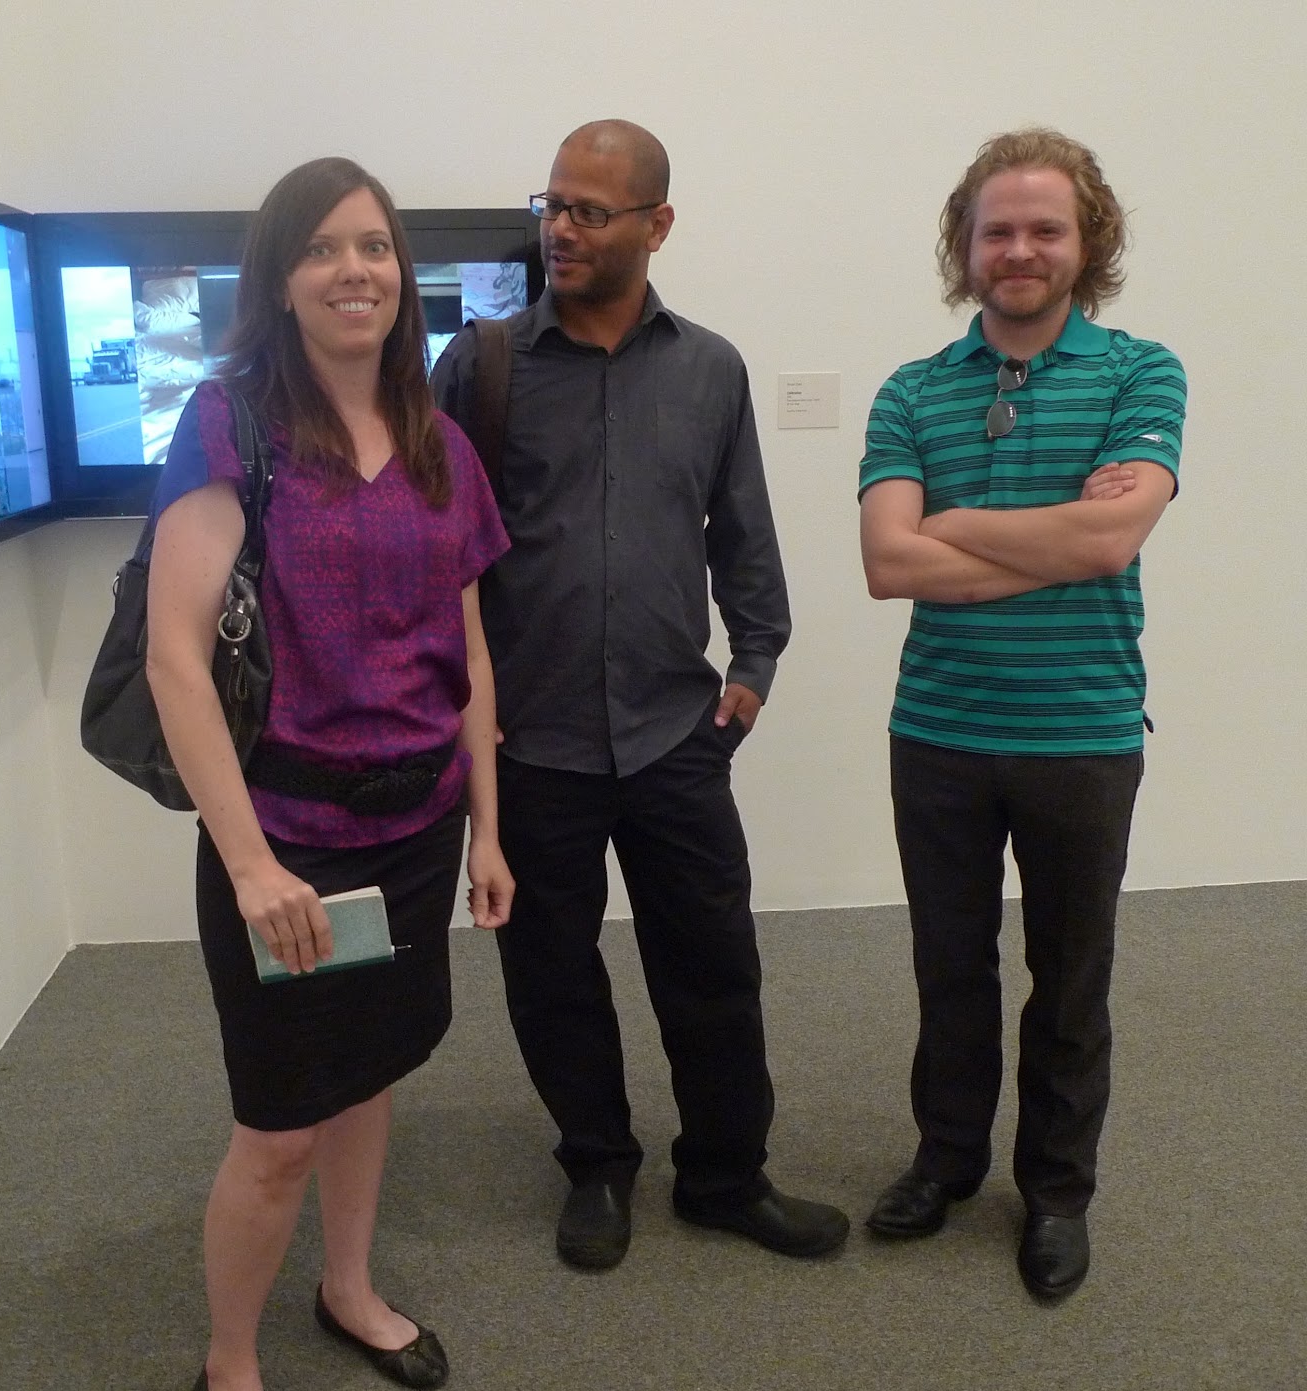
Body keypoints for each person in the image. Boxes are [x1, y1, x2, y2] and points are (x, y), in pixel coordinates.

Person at [432, 119, 848, 1271]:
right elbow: (432, 552)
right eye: (551, 204)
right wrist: (456, 707)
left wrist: (754, 665)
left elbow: (741, 528)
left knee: (713, 965)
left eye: (588, 210)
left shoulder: (709, 368)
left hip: (675, 731)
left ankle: (725, 1175)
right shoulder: (482, 366)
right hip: (532, 741)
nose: (559, 229)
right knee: (552, 973)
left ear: (656, 225)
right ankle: (597, 1163)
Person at [145, 157, 513, 1391]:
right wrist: (249, 864)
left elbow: (469, 653)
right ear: (278, 279)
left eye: (372, 246)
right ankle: (230, 1362)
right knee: (277, 1131)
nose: (352, 270)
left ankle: (347, 1287)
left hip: (414, 830)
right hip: (289, 845)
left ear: (402, 272)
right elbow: (175, 660)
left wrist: (487, 830)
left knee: (367, 1075)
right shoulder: (230, 423)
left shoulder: (440, 443)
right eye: (319, 248)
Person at [857, 128, 1186, 1300]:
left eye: (1045, 228)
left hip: (1081, 732)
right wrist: (1053, 534)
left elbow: (1108, 541)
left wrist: (951, 527)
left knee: (1070, 978)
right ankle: (946, 1159)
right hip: (937, 730)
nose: (1019, 249)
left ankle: (1054, 1191)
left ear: (1087, 241)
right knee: (949, 967)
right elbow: (886, 564)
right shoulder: (911, 390)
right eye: (996, 229)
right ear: (965, 244)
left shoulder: (1141, 374)